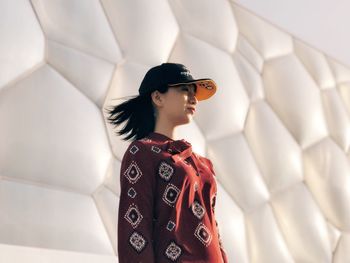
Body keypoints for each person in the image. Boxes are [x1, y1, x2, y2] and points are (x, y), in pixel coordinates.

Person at [104, 63, 228, 262]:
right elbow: (135, 228)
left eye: (194, 92)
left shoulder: (203, 164)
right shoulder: (142, 152)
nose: (194, 98)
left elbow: (214, 230)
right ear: (157, 97)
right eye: (184, 90)